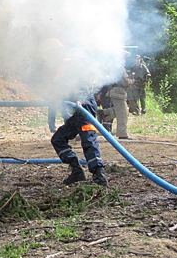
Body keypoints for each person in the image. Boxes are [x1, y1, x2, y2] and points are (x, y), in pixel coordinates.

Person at [41, 38, 107, 186]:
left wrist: (80, 100)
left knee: (88, 140)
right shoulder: (59, 69)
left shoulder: (71, 65)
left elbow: (82, 84)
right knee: (58, 139)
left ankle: (99, 175)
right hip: (75, 112)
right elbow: (60, 89)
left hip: (84, 108)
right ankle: (77, 170)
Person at [107, 52, 133, 140]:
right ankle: (122, 134)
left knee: (119, 111)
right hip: (118, 92)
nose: (125, 60)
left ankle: (104, 114)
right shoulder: (119, 68)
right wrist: (131, 81)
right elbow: (125, 81)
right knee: (123, 113)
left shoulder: (115, 67)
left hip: (116, 92)